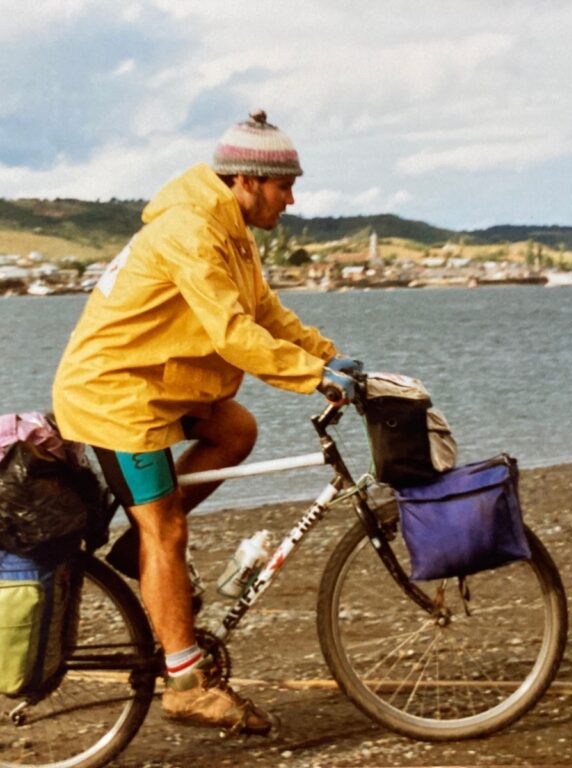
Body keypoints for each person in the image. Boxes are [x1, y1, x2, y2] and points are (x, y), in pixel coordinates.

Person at [52, 110, 360, 734]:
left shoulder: (229, 228)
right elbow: (230, 331)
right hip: (117, 396)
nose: (292, 197)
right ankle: (185, 684)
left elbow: (264, 311)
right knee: (168, 532)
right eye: (284, 185)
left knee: (236, 430)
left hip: (158, 382)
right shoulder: (190, 230)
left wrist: (329, 355)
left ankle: (140, 548)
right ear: (247, 179)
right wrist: (313, 379)